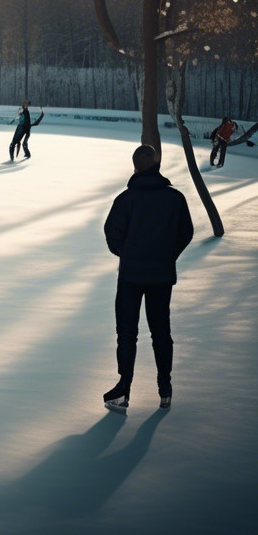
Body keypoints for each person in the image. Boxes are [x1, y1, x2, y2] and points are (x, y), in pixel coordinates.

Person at [102, 145, 193, 412]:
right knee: (161, 332)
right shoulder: (174, 199)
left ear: (136, 167)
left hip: (131, 276)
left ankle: (123, 390)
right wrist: (167, 255)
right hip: (161, 276)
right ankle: (165, 389)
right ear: (156, 164)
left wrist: (127, 254)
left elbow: (112, 234)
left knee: (127, 333)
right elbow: (185, 233)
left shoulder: (126, 200)